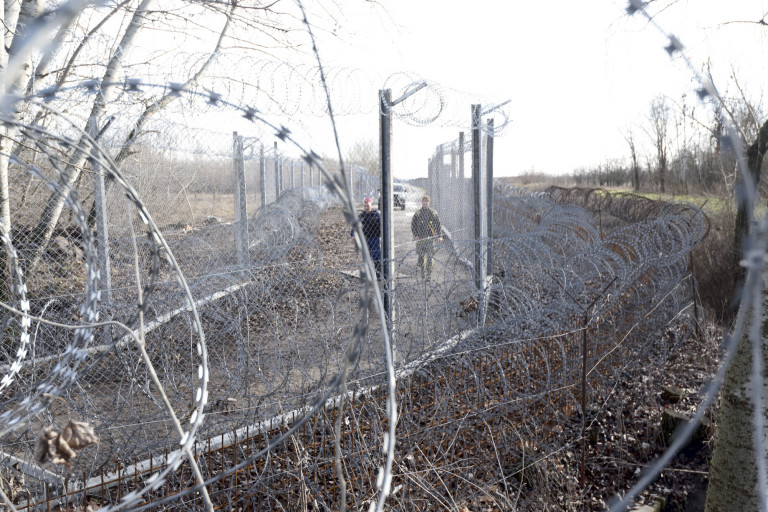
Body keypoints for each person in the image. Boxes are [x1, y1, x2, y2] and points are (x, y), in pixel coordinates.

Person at [411, 195, 442, 279]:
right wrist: (415, 235)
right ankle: (422, 271)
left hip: (430, 239)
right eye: (424, 201)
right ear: (422, 202)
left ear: (429, 203)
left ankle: (428, 274)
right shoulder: (417, 214)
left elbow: (438, 225)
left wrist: (439, 236)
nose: (425, 203)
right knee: (421, 256)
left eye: (426, 201)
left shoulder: (433, 213)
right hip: (421, 239)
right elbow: (413, 225)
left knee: (430, 257)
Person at [351, 197, 382, 280]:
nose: (366, 207)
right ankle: (369, 276)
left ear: (371, 205)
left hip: (375, 239)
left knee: (377, 257)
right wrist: (353, 234)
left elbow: (382, 224)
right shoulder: (361, 216)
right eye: (365, 206)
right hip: (365, 239)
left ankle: (378, 275)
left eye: (368, 205)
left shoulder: (376, 214)